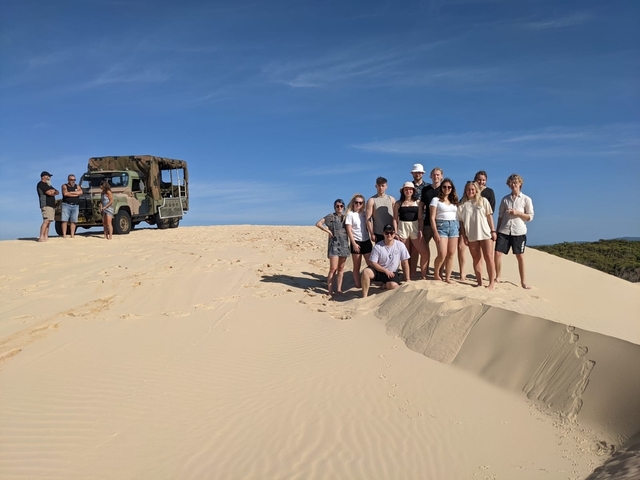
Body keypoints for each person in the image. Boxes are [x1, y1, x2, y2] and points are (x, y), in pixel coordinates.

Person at [494, 174, 534, 289]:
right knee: (497, 253)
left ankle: (523, 282)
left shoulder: (526, 199)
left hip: (519, 232)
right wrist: (497, 231)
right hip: (504, 230)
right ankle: (498, 277)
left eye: (515, 182)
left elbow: (530, 217)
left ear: (520, 184)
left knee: (520, 256)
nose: (513, 185)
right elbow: (500, 216)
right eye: (511, 183)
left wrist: (518, 213)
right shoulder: (505, 199)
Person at [458, 181, 497, 290]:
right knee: (476, 258)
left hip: (485, 233)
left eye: (472, 189)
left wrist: (493, 231)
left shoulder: (483, 201)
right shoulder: (462, 205)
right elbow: (461, 223)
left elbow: (489, 217)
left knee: (489, 257)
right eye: (468, 189)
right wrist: (464, 236)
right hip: (471, 235)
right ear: (465, 191)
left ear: (476, 190)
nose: (470, 191)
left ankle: (491, 283)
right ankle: (479, 282)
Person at [361, 224, 410, 298]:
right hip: (379, 270)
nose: (389, 235)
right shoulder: (378, 246)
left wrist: (407, 279)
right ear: (383, 234)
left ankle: (385, 285)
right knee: (366, 272)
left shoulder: (400, 245)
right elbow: (373, 263)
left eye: (391, 233)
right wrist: (385, 270)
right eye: (387, 233)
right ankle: (364, 296)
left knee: (393, 285)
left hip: (392, 273)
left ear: (394, 234)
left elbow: (405, 262)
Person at [393, 182, 429, 279]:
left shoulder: (418, 202)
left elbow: (420, 218)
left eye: (410, 189)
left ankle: (423, 275)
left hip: (415, 227)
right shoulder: (398, 203)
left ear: (413, 191)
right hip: (402, 229)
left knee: (425, 252)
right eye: (406, 189)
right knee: (405, 255)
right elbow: (395, 219)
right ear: (403, 191)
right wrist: (395, 232)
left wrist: (420, 230)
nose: (408, 191)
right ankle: (407, 277)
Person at [315, 199, 350, 296]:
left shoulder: (346, 217)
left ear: (344, 207)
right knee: (333, 269)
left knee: (341, 269)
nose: (339, 208)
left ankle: (339, 289)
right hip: (334, 245)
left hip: (344, 245)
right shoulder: (331, 216)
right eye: (337, 206)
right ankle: (330, 291)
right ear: (335, 207)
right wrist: (328, 231)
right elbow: (318, 224)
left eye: (341, 206)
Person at [430, 178, 459, 284]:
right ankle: (436, 273)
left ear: (452, 188)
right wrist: (435, 232)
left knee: (451, 253)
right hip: (441, 226)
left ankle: (447, 277)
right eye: (444, 187)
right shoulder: (435, 200)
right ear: (441, 188)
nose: (447, 189)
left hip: (454, 226)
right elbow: (432, 217)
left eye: (449, 187)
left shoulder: (454, 201)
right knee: (442, 253)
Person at [418, 167, 444, 275]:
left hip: (441, 224)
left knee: (442, 251)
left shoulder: (445, 189)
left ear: (441, 176)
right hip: (427, 223)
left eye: (438, 175)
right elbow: (421, 206)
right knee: (424, 250)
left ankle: (439, 273)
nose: (436, 177)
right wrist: (420, 224)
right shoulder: (426, 190)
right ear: (430, 176)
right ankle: (424, 274)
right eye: (434, 175)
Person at [345, 193, 372, 289]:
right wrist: (354, 244)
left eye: (360, 203)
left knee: (371, 264)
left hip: (366, 241)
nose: (358, 204)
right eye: (356, 202)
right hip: (356, 241)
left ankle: (370, 281)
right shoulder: (350, 214)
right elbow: (349, 230)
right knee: (357, 266)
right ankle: (358, 285)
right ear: (353, 203)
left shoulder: (365, 214)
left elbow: (369, 226)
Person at [366, 177, 396, 243]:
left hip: (391, 232)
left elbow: (396, 217)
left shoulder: (392, 199)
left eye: (383, 185)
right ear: (376, 186)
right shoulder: (371, 200)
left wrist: (395, 231)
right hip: (379, 233)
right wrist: (372, 233)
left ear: (386, 186)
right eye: (379, 185)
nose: (381, 188)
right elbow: (368, 219)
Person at [36, 171, 59, 242]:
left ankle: (46, 236)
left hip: (51, 205)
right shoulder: (41, 184)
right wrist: (52, 192)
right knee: (46, 221)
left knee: (49, 221)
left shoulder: (49, 185)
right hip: (45, 204)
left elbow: (57, 192)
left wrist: (53, 192)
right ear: (43, 177)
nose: (49, 177)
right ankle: (41, 237)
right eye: (48, 176)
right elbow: (48, 193)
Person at [60, 174, 82, 238]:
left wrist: (71, 193)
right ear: (68, 180)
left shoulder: (77, 186)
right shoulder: (64, 186)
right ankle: (64, 234)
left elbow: (80, 192)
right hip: (66, 204)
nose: (73, 181)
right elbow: (65, 194)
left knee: (74, 220)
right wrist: (76, 194)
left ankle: (72, 235)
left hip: (75, 205)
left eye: (74, 180)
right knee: (64, 220)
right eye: (71, 180)